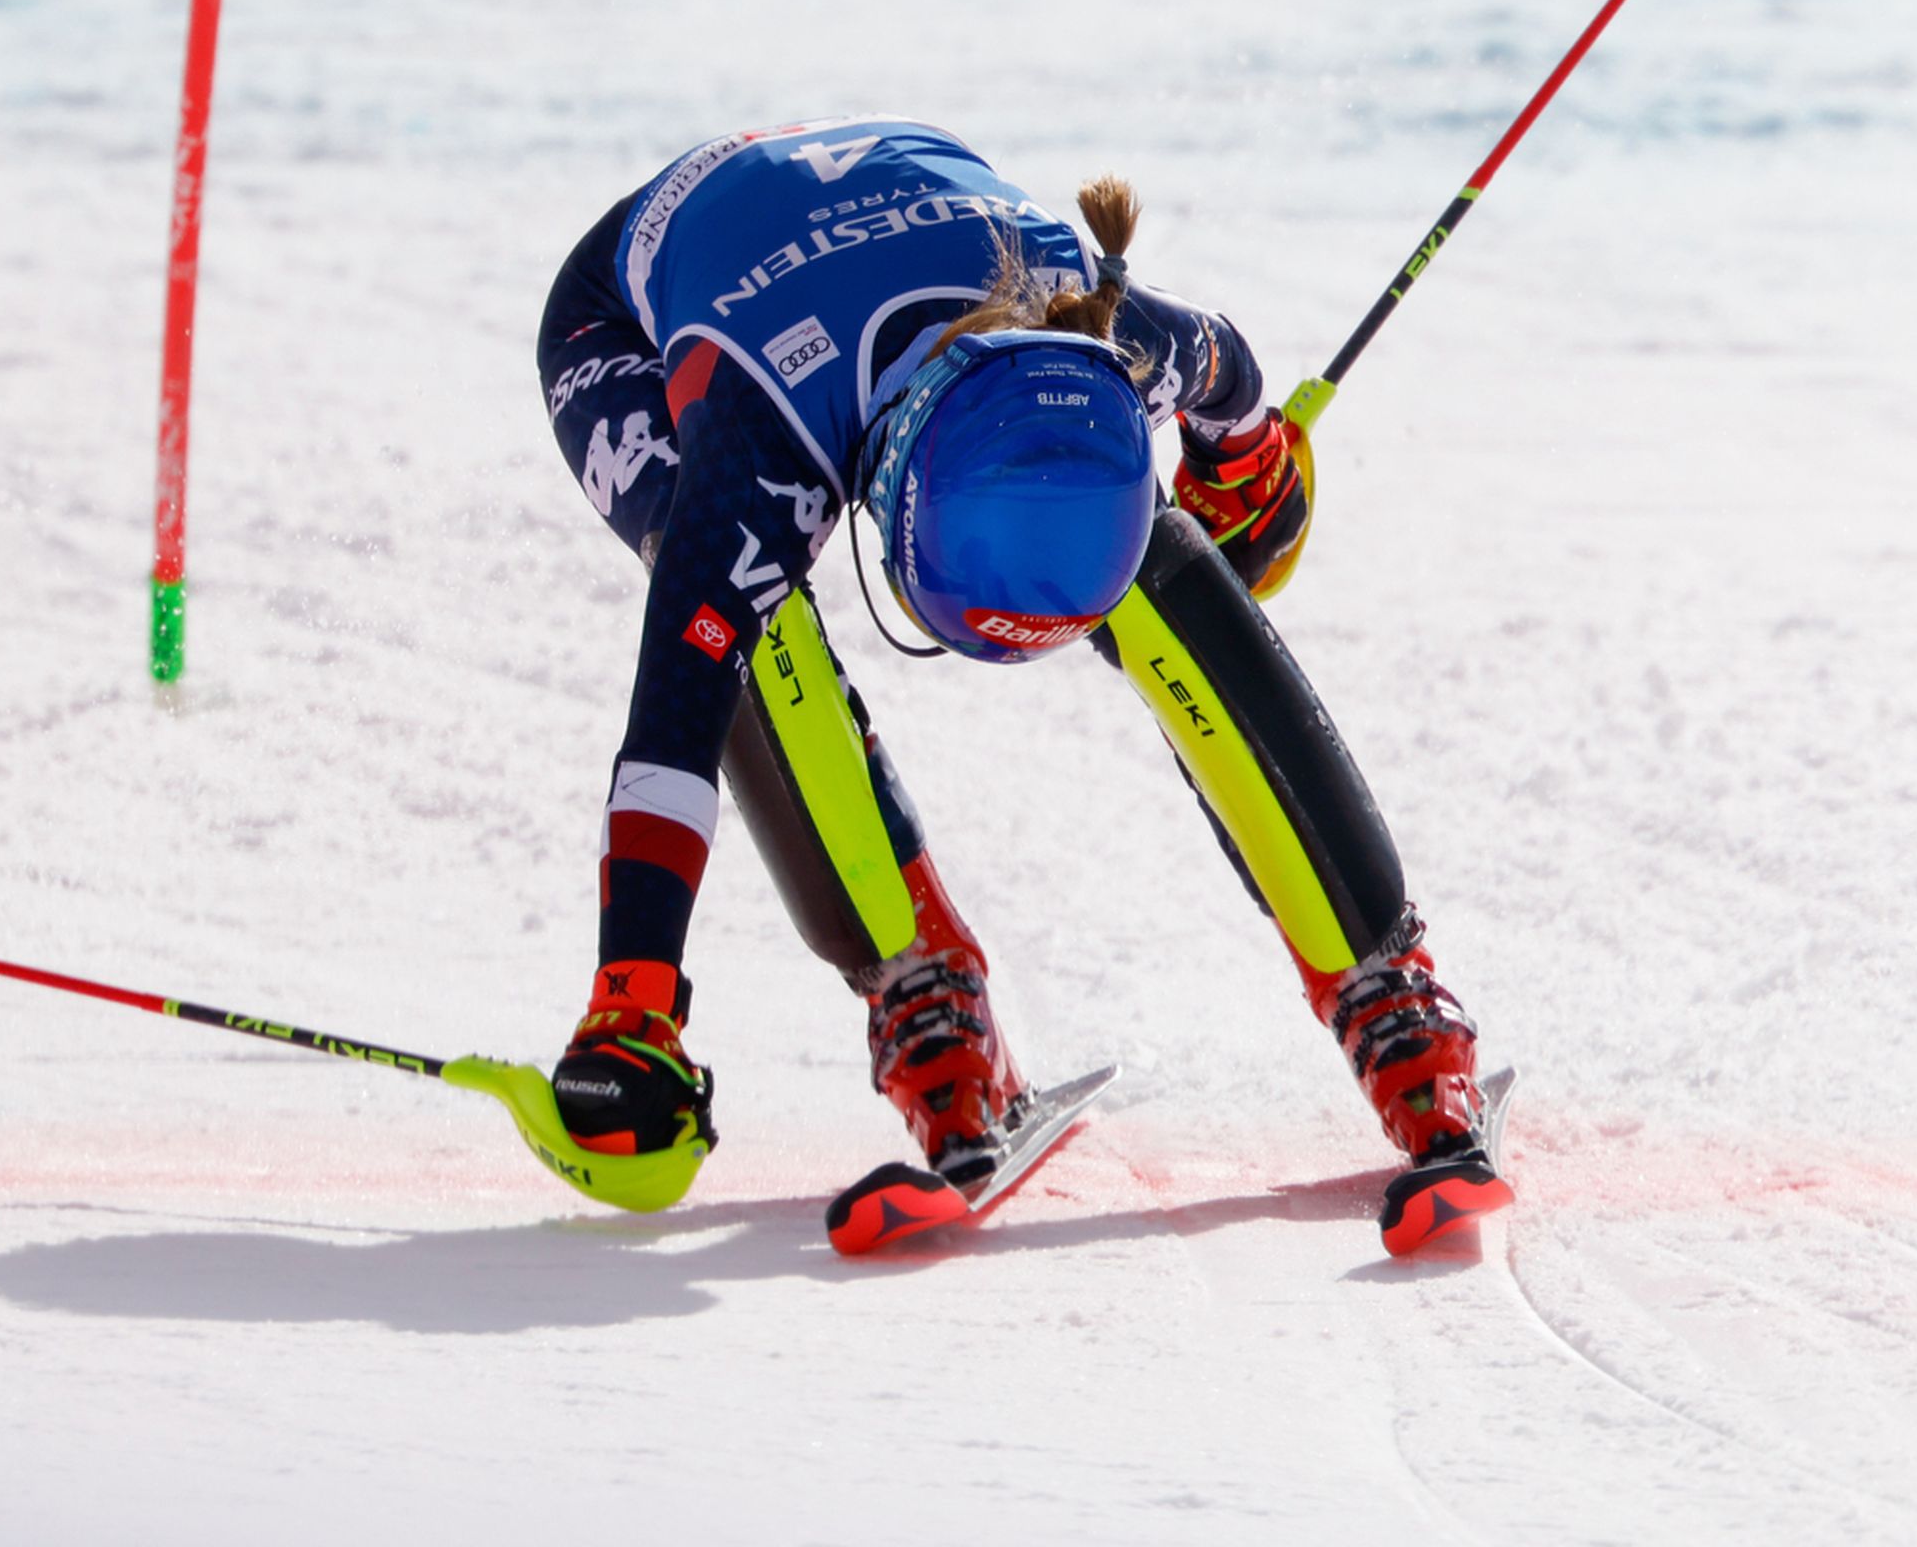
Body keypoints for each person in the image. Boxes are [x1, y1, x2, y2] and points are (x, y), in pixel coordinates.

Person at [533, 115, 1504, 1224]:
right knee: (745, 618)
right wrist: (633, 1000)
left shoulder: (1117, 335)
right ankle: (922, 1000)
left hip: (899, 242)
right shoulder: (759, 444)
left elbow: (1231, 375)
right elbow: (670, 727)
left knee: (1162, 564)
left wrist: (1244, 467)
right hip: (633, 314)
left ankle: (1399, 1008)